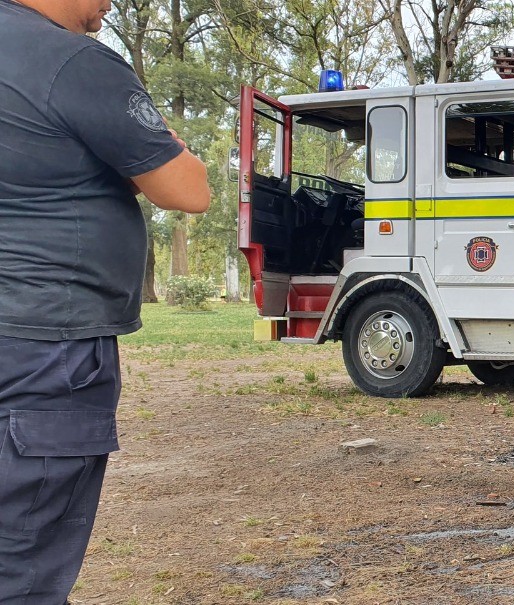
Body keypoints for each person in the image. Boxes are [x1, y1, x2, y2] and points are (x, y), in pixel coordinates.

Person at [0, 0, 211, 600]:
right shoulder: (72, 63)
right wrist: (157, 151)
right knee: (21, 560)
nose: (110, 5)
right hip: (44, 348)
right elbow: (188, 188)